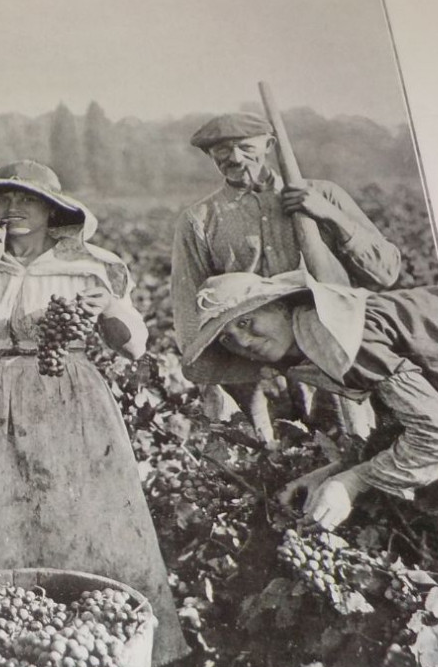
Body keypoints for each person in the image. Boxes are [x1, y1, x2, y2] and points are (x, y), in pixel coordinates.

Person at [0, 161, 188, 667]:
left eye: (26, 200)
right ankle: (10, 651)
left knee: (86, 519)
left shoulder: (89, 266)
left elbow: (134, 347)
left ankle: (115, 651)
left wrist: (109, 307)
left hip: (68, 397)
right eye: (1, 202)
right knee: (0, 521)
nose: (12, 210)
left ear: (52, 211)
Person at [179, 269, 438, 530]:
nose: (242, 342)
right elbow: (402, 417)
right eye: (227, 339)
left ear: (280, 306)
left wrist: (355, 481)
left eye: (245, 322)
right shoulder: (307, 342)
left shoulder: (336, 337)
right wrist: (336, 470)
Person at [171, 112, 403, 440]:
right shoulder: (198, 220)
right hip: (258, 375)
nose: (234, 158)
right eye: (221, 151)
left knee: (359, 446)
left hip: (342, 354)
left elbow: (386, 272)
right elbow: (189, 313)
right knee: (275, 467)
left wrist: (330, 215)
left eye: (244, 147)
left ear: (269, 145)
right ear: (210, 156)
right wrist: (240, 373)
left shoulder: (324, 195)